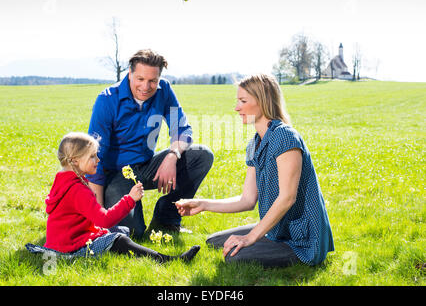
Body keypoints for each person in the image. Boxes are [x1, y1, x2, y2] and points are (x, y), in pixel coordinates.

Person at [176, 74, 334, 267]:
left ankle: (294, 252)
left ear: (262, 101)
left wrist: (250, 237)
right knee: (214, 242)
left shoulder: (285, 137)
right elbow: (247, 200)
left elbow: (287, 198)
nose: (236, 108)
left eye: (243, 101)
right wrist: (203, 204)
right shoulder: (255, 144)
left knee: (234, 256)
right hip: (278, 229)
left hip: (301, 238)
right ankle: (265, 238)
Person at [87, 49, 214, 238]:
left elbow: (182, 130)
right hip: (116, 174)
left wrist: (172, 156)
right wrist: (98, 214)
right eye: (140, 79)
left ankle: (166, 218)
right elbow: (95, 155)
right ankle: (122, 208)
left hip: (146, 166)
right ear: (129, 74)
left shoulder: (164, 91)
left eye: (152, 81)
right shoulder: (107, 100)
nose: (146, 86)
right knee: (131, 233)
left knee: (201, 156)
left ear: (159, 78)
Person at [38, 132, 200, 263]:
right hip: (69, 247)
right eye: (92, 156)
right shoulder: (78, 189)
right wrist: (130, 199)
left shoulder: (63, 181)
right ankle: (167, 260)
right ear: (75, 161)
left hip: (60, 242)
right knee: (119, 238)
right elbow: (104, 220)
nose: (98, 160)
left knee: (121, 230)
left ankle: (125, 251)